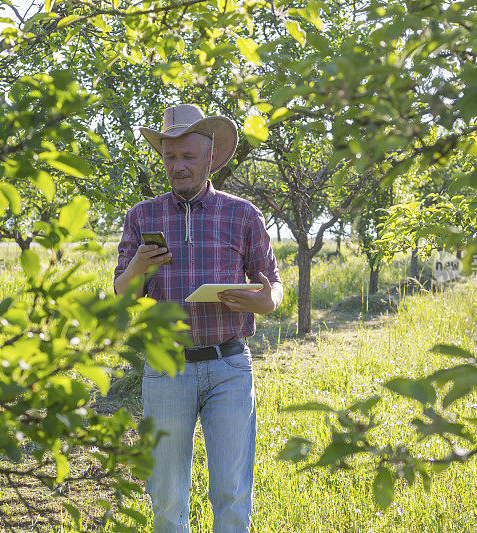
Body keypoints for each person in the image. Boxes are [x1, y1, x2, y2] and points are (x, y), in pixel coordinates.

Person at [113, 104, 283, 532]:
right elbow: (122, 294)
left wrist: (266, 303)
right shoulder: (143, 216)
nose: (178, 166)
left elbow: (273, 285)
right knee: (167, 495)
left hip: (228, 366)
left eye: (188, 157)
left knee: (231, 491)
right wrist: (137, 268)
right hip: (167, 367)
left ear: (211, 158)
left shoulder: (242, 214)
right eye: (170, 157)